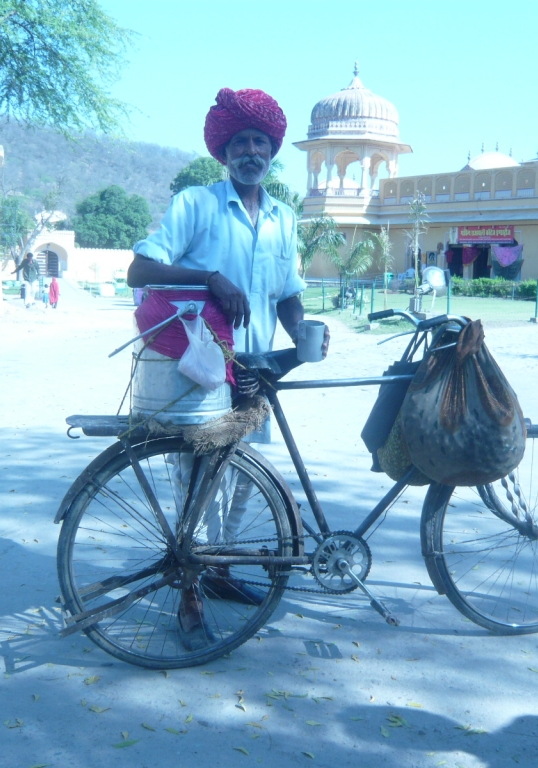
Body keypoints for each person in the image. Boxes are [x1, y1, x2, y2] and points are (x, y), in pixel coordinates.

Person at [128, 87, 329, 650]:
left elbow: (287, 292)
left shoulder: (284, 217)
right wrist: (208, 278)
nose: (250, 151)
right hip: (198, 364)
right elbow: (139, 270)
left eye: (259, 142)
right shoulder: (196, 204)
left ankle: (219, 566)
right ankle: (188, 585)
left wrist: (303, 334)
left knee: (244, 474)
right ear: (224, 151)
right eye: (239, 141)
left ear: (271, 152)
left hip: (255, 366)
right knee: (193, 479)